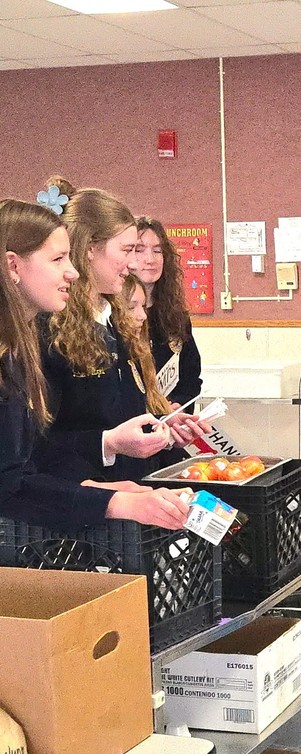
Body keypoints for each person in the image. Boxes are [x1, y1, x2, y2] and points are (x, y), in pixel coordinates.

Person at [0, 198, 191, 531]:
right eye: (58, 259)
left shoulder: (21, 347)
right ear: (13, 266)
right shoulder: (36, 341)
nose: (71, 271)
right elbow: (11, 480)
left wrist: (99, 488)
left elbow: (33, 453)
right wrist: (112, 498)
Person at [35, 180, 205, 484]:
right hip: (88, 502)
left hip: (130, 493)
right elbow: (37, 447)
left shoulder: (114, 320)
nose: (134, 263)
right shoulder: (48, 329)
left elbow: (122, 415)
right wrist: (108, 444)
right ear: (89, 249)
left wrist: (161, 425)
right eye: (128, 250)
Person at [134, 216, 202, 409]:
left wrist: (178, 406)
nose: (150, 259)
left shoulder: (175, 316)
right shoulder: (111, 318)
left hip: (171, 427)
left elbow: (191, 376)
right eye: (139, 250)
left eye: (157, 251)